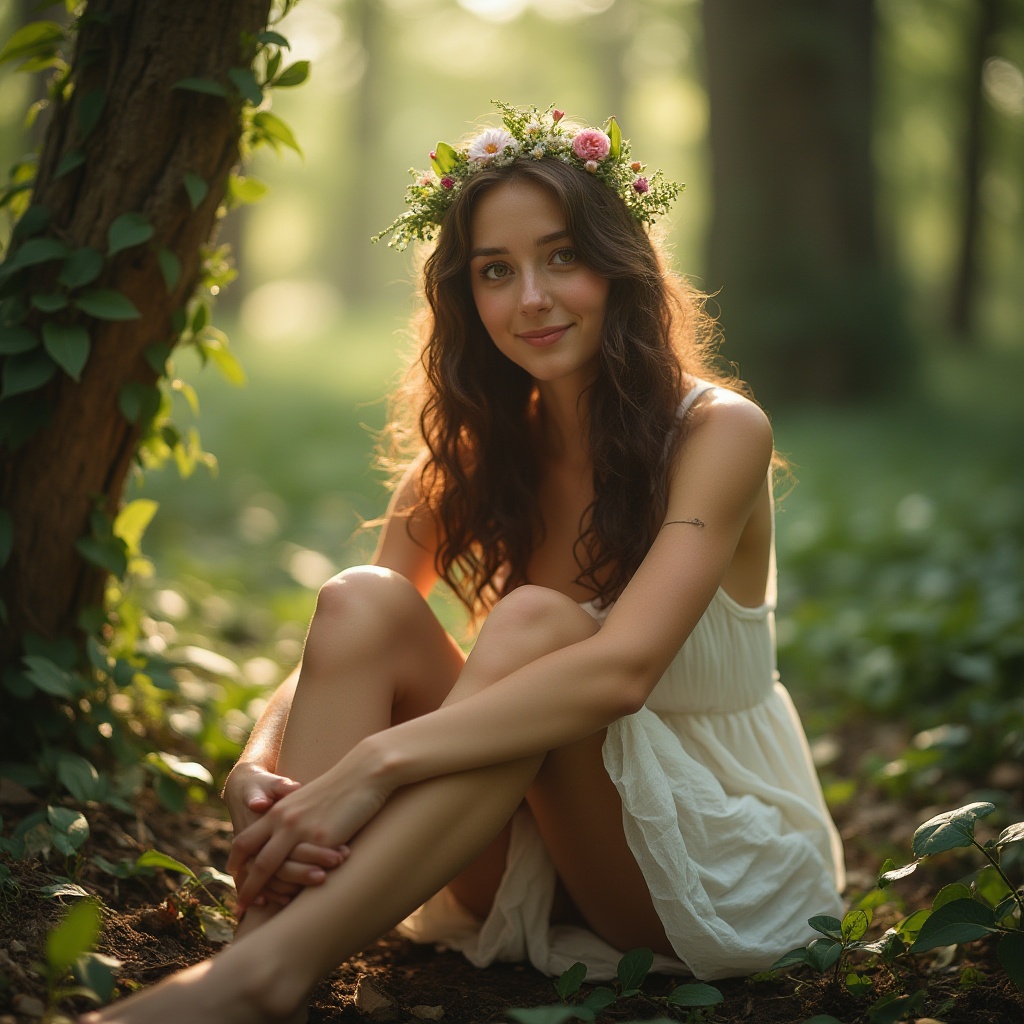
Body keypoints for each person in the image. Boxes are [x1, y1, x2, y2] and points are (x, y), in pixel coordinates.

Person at [83, 102, 844, 1024]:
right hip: (515, 839)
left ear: (621, 266)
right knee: (363, 598)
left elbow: (622, 672)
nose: (532, 297)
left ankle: (260, 977)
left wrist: (375, 766)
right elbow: (342, 645)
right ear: (465, 298)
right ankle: (260, 959)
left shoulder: (718, 432)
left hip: (702, 856)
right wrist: (259, 756)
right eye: (496, 271)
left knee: (534, 622)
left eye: (562, 255)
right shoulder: (472, 458)